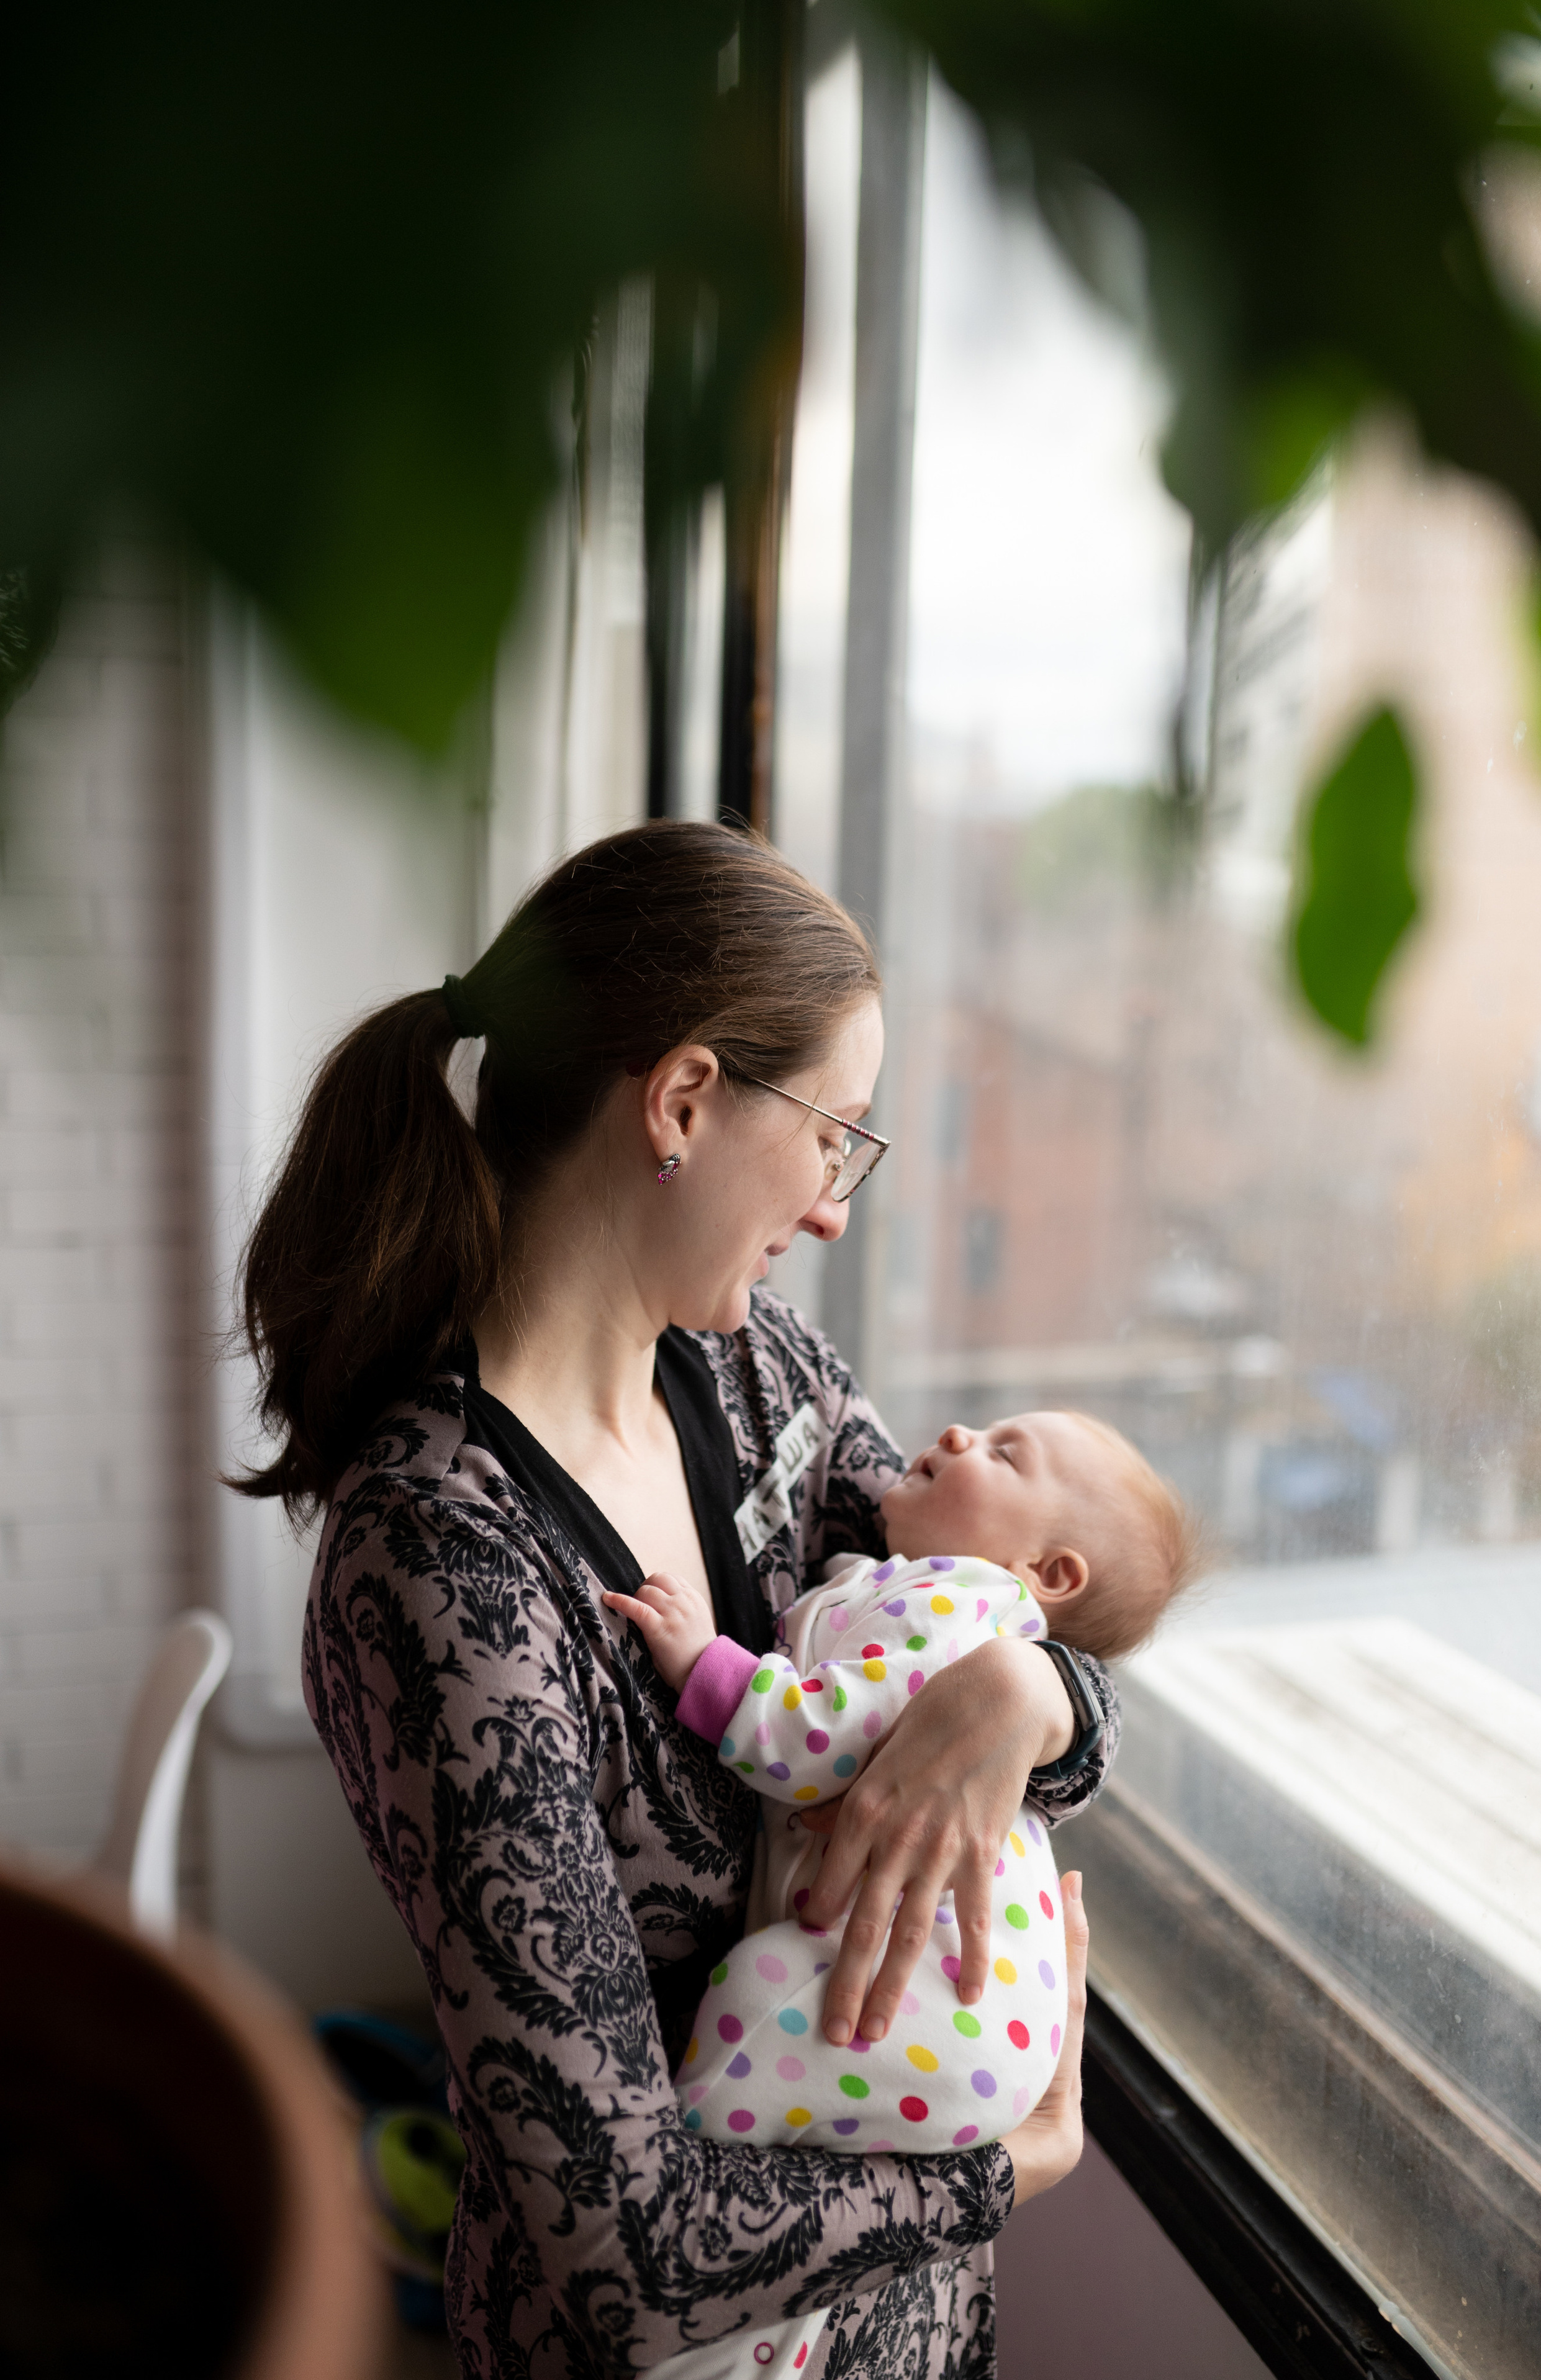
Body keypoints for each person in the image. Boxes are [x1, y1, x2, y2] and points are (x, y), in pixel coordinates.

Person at [233, 820, 1120, 2379]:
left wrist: (1031, 1698)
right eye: (835, 1134)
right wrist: (1007, 2170)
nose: (837, 1206)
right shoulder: (448, 1565)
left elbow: (986, 1615)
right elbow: (629, 2259)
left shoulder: (759, 1370)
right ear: (685, 1099)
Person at [599, 1410, 1196, 2380]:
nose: (959, 1430)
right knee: (789, 2183)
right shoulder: (912, 1583)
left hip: (934, 2004)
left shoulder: (962, 1607)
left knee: (748, 2032)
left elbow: (816, 1741)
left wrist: (704, 1663)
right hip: (957, 2023)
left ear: (1049, 1574)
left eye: (1005, 1453)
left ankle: (698, 2341)